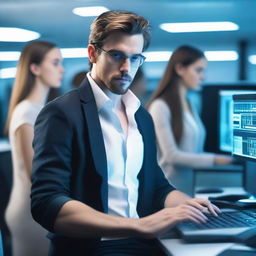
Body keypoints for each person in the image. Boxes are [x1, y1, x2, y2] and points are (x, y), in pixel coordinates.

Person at [31, 11, 220, 256]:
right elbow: (47, 202)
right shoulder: (61, 113)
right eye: (117, 55)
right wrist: (139, 225)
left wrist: (188, 205)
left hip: (143, 243)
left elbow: (155, 186)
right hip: (94, 247)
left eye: (135, 58)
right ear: (92, 54)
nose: (126, 68)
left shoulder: (141, 115)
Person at [5, 40, 64, 256]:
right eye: (56, 63)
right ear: (35, 68)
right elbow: (36, 174)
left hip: (40, 209)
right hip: (30, 215)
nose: (62, 69)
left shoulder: (41, 109)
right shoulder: (27, 112)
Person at [147, 45, 232, 196]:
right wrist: (216, 160)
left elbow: (194, 153)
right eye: (198, 70)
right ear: (180, 69)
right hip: (167, 194)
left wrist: (224, 159)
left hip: (187, 191)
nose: (203, 77)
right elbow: (171, 156)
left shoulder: (189, 104)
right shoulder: (160, 106)